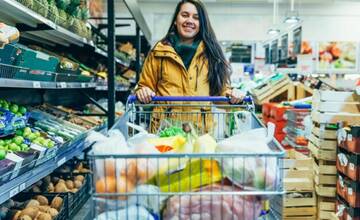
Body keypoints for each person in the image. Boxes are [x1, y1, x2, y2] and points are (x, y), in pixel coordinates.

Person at [135, 0, 245, 133]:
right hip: (165, 132)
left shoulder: (211, 54)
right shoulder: (158, 53)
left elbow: (220, 93)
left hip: (199, 135)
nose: (190, 20)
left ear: (201, 24)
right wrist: (144, 92)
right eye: (185, 15)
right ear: (176, 20)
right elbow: (144, 87)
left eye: (196, 17)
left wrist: (233, 95)